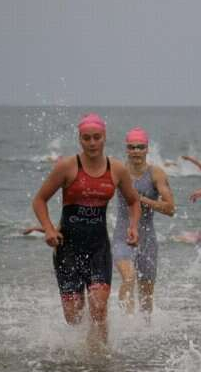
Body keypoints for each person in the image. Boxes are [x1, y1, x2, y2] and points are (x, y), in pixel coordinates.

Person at [31, 113, 141, 348]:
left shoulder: (117, 169)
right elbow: (39, 200)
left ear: (104, 138)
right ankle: (78, 362)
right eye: (86, 138)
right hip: (67, 249)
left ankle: (99, 358)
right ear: (80, 139)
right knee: (74, 316)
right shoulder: (67, 167)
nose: (92, 143)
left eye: (96, 137)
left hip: (98, 248)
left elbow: (133, 201)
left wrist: (133, 227)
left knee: (99, 308)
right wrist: (49, 230)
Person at [114, 127, 175, 317]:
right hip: (122, 234)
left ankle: (143, 333)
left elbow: (170, 208)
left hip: (147, 238)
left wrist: (143, 199)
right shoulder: (118, 171)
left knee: (146, 297)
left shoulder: (155, 174)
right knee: (128, 277)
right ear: (127, 149)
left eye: (140, 147)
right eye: (132, 147)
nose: (136, 151)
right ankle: (125, 323)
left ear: (147, 149)